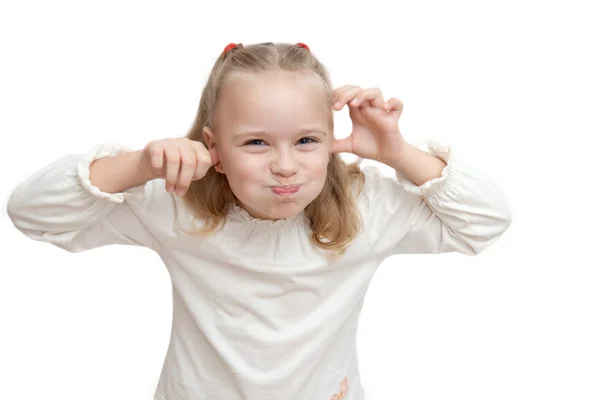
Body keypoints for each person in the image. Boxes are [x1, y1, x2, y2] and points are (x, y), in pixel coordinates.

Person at [6, 41, 512, 400]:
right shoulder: (175, 202)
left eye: (307, 140)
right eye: (256, 142)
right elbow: (31, 214)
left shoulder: (366, 207)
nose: (286, 165)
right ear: (215, 150)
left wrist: (398, 152)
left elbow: (486, 220)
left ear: (332, 139)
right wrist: (139, 165)